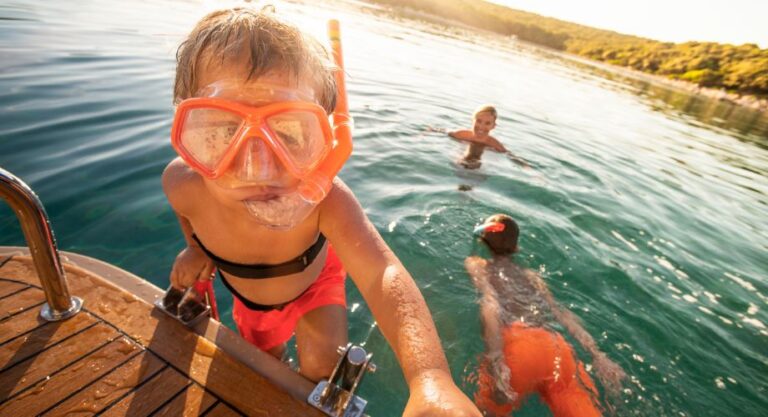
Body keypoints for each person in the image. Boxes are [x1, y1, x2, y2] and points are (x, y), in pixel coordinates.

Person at [163, 7, 480, 416]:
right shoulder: (182, 184)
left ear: (324, 144)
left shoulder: (326, 200)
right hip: (249, 298)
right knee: (266, 363)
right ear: (188, 131)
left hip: (315, 284)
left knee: (321, 367)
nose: (257, 168)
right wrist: (196, 249)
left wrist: (430, 378)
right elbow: (186, 215)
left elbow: (381, 272)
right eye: (223, 129)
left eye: (290, 134)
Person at [465, 214, 626, 417]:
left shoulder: (477, 264)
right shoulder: (533, 277)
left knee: (486, 412)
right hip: (555, 348)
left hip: (518, 350)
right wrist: (598, 356)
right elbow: (560, 313)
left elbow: (491, 305)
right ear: (516, 248)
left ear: (483, 240)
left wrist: (497, 365)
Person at [447, 106, 527, 169]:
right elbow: (443, 131)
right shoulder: (461, 134)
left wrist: (528, 168)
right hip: (460, 160)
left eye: (487, 123)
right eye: (478, 121)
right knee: (460, 162)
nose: (481, 126)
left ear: (493, 126)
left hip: (479, 166)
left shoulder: (495, 144)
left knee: (476, 167)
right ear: (472, 120)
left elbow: (511, 156)